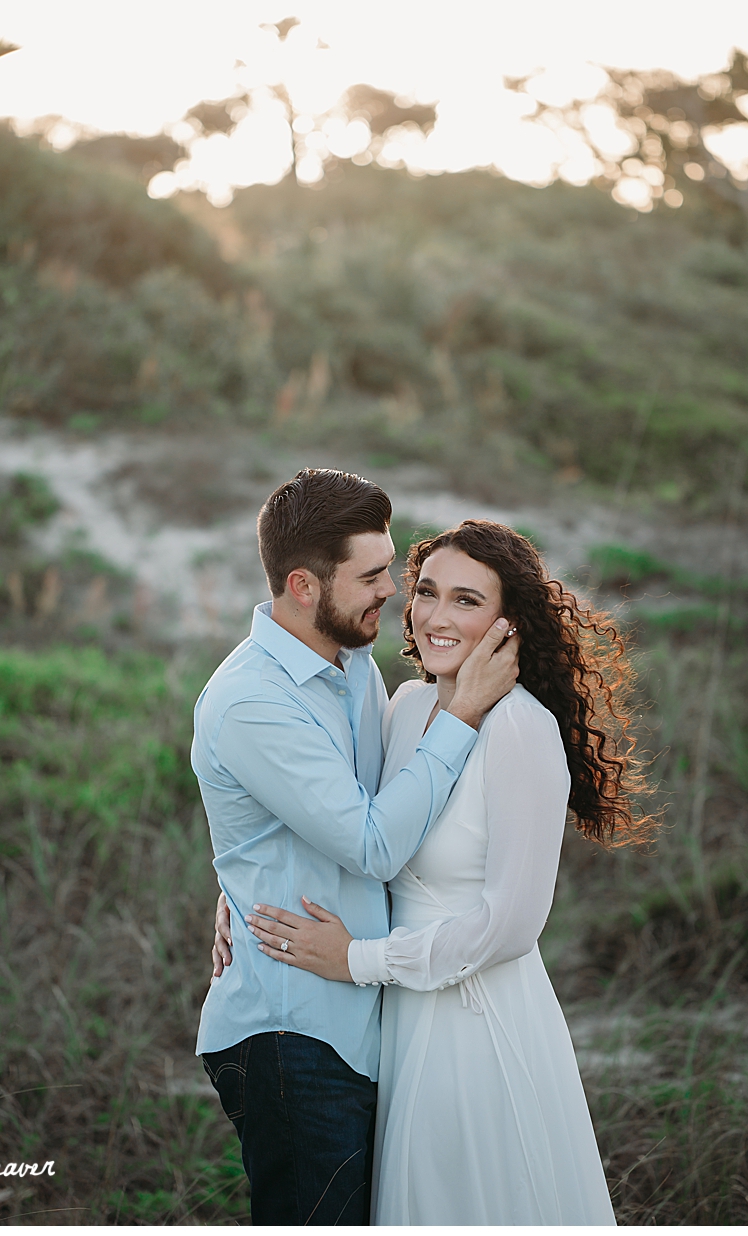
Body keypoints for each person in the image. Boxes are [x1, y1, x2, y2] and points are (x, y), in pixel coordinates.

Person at [241, 520, 648, 1224]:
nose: (435, 615)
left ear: (507, 623)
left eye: (466, 600)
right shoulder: (406, 707)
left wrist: (359, 959)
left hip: (479, 1021)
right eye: (427, 592)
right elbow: (346, 828)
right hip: (404, 1017)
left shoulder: (520, 728)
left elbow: (512, 926)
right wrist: (235, 895)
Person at [194, 469, 520, 1224]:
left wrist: (240, 876)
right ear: (303, 586)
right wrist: (463, 713)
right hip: (291, 1032)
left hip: (358, 1019)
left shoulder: (351, 667)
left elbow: (333, 811)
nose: (392, 593)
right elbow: (373, 842)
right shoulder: (251, 701)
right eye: (372, 576)